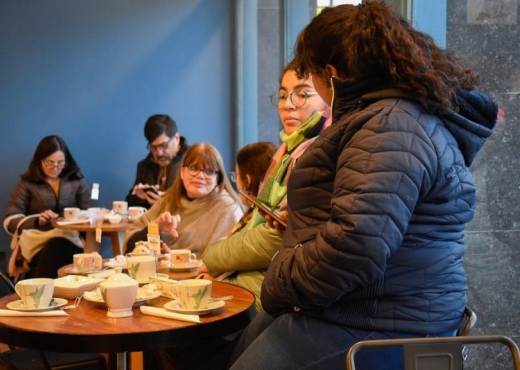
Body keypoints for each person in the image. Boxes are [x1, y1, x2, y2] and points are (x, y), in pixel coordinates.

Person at [228, 2, 498, 369]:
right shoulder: (386, 119)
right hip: (371, 308)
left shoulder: (389, 126)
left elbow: (358, 244)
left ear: (331, 73)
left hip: (386, 321)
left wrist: (279, 277)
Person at [197, 61, 331, 314]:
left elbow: (278, 237)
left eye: (302, 94)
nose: (288, 104)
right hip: (261, 277)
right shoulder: (285, 153)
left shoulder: (318, 152)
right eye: (282, 96)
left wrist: (212, 260)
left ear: (326, 97)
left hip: (285, 291)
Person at [123, 143, 243, 256]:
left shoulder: (228, 209)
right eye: (194, 168)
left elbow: (226, 260)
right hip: (158, 275)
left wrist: (177, 260)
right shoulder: (168, 201)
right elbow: (129, 247)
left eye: (209, 171)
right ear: (182, 171)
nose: (201, 176)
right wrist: (156, 227)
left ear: (218, 178)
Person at [197, 141, 277, 310]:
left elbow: (238, 262)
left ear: (247, 180)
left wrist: (215, 280)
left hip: (250, 305)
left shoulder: (262, 216)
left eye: (237, 176)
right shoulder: (253, 214)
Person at [4, 135, 92, 279]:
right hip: (38, 240)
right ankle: (46, 295)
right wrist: (37, 221)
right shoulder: (28, 183)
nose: (55, 168)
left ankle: (40, 294)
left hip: (69, 238)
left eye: (60, 163)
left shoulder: (75, 180)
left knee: (57, 247)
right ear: (39, 161)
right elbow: (9, 221)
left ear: (66, 161)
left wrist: (67, 219)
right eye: (49, 163)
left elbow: (89, 213)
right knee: (54, 249)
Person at [125, 114, 189, 208]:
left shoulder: (193, 162)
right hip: (152, 222)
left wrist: (167, 202)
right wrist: (140, 198)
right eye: (153, 147)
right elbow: (128, 206)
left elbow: (200, 204)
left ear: (176, 138)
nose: (159, 153)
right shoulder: (144, 166)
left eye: (164, 145)